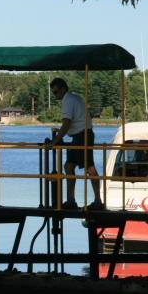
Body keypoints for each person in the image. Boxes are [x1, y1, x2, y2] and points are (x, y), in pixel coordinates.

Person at [48, 78, 104, 210]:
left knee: (89, 167)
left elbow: (66, 123)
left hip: (82, 135)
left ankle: (98, 200)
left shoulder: (68, 100)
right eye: (53, 92)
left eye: (56, 92)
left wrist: (55, 141)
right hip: (80, 135)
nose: (55, 95)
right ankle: (71, 200)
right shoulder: (73, 98)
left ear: (62, 89)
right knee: (68, 166)